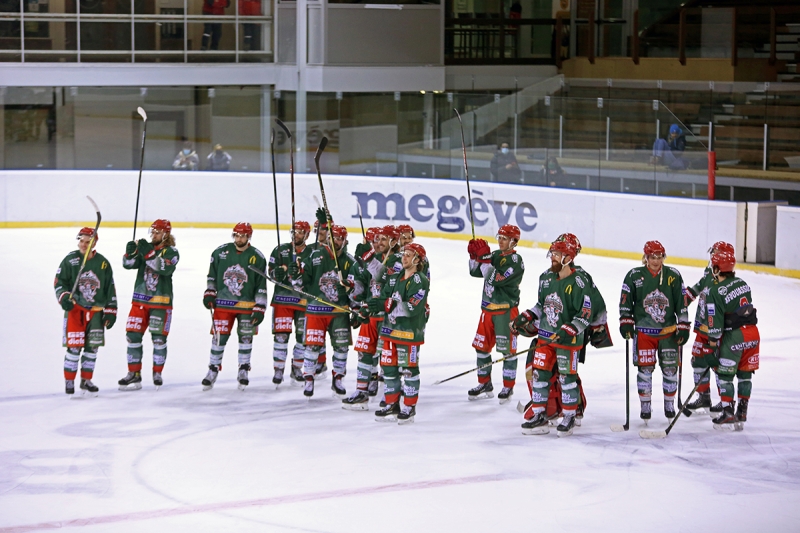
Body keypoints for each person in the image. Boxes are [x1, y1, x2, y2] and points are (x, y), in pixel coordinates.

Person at [513, 233, 610, 427]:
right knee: (540, 373)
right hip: (546, 338)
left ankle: (569, 415)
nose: (552, 257)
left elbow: (585, 314)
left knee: (567, 378)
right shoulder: (546, 278)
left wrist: (570, 329)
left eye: (557, 254)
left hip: (569, 340)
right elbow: (542, 305)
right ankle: (540, 413)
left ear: (569, 257)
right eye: (552, 253)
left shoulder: (579, 282)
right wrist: (528, 315)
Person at [619, 241, 690, 421]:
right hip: (644, 332)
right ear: (646, 257)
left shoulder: (673, 276)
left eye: (659, 257)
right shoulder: (634, 276)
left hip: (669, 332)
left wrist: (683, 325)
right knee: (645, 369)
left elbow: (681, 303)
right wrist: (626, 321)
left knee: (670, 370)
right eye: (652, 257)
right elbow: (625, 301)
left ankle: (669, 405)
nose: (656, 261)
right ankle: (645, 407)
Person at [295, 214, 357, 398]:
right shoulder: (315, 256)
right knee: (312, 347)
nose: (336, 241)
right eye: (334, 237)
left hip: (339, 312)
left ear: (345, 241)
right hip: (316, 310)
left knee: (341, 348)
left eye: (340, 238)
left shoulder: (350, 262)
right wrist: (295, 274)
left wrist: (355, 307)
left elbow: (356, 290)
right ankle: (308, 379)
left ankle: (338, 378)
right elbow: (301, 284)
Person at [342, 225, 403, 410]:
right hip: (370, 315)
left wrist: (369, 260)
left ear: (394, 241)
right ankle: (362, 392)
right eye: (377, 239)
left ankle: (389, 395)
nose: (378, 242)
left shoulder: (399, 260)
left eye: (384, 239)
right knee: (364, 353)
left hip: (389, 318)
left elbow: (387, 279)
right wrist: (351, 287)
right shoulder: (373, 258)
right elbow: (362, 286)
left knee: (387, 358)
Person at [200, 223, 268, 391]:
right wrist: (210, 291)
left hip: (247, 306)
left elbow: (261, 285)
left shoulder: (257, 257)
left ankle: (244, 369)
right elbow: (212, 275)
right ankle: (213, 369)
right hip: (223, 305)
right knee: (218, 337)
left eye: (242, 236)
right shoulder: (220, 252)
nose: (239, 239)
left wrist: (260, 307)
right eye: (236, 235)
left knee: (245, 338)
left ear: (249, 237)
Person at [698, 247, 759, 429]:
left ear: (716, 269)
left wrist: (710, 348)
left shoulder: (714, 292)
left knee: (724, 374)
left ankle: (727, 412)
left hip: (735, 337)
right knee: (745, 373)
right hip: (753, 334)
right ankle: (742, 410)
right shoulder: (743, 283)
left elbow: (715, 327)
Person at [54, 228, 117, 395]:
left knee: (92, 348)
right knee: (74, 348)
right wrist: (64, 297)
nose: (83, 244)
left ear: (94, 243)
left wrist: (111, 310)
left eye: (87, 242)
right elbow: (59, 282)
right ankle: (69, 380)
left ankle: (86, 380)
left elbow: (110, 288)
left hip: (96, 312)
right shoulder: (70, 260)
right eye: (81, 240)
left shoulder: (103, 263)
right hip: (76, 311)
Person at [372, 243, 430, 424]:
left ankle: (409, 406)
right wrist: (370, 305)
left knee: (409, 370)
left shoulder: (420, 280)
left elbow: (412, 307)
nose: (404, 257)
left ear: (417, 259)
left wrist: (388, 305)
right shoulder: (397, 277)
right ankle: (391, 403)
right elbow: (384, 296)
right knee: (389, 368)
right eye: (404, 254)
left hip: (409, 334)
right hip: (390, 331)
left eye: (408, 255)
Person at [466, 224, 524, 403]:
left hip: (506, 312)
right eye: (499, 237)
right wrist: (475, 257)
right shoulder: (496, 255)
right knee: (481, 347)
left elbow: (496, 279)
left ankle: (508, 386)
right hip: (487, 310)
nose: (500, 241)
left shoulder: (516, 261)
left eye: (504, 238)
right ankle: (484, 383)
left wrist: (484, 261)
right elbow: (475, 272)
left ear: (513, 242)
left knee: (508, 351)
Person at [119, 219, 180, 390]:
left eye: (157, 232)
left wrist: (147, 253)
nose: (153, 235)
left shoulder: (171, 252)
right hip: (139, 301)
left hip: (160, 303)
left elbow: (163, 268)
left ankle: (157, 373)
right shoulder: (147, 249)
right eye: (152, 232)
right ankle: (134, 374)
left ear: (165, 234)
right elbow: (128, 265)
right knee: (132, 336)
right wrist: (129, 254)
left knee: (159, 339)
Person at [683, 241, 735, 415]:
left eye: (716, 253)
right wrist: (679, 303)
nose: (712, 257)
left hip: (718, 333)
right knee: (698, 360)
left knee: (719, 365)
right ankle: (703, 396)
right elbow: (695, 290)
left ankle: (725, 402)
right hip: (702, 329)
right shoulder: (709, 274)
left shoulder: (728, 282)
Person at [268, 220, 312, 385]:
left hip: (304, 301)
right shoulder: (280, 250)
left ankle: (297, 367)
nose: (296, 235)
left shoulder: (312, 252)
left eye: (300, 232)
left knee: (302, 337)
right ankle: (278, 369)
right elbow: (271, 273)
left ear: (307, 234)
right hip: (282, 300)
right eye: (294, 231)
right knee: (281, 336)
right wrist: (277, 273)